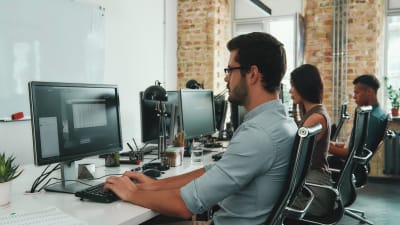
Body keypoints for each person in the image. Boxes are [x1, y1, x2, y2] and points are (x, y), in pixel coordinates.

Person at [104, 32, 298, 225]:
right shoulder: (281, 123)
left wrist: (131, 192)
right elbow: (213, 171)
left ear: (253, 74)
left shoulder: (258, 134)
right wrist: (155, 186)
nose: (226, 79)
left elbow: (184, 205)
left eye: (230, 70)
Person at [287, 64, 334, 217]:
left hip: (314, 196)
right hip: (310, 188)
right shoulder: (315, 112)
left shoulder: (315, 118)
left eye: (293, 85)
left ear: (303, 86)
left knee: (261, 200)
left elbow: (294, 156)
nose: (290, 90)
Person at [329, 74, 387, 186]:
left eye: (357, 92)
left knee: (311, 163)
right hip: (351, 163)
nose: (354, 96)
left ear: (369, 91)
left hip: (352, 168)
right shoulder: (373, 113)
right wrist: (334, 144)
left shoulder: (371, 118)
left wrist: (325, 147)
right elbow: (355, 145)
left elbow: (354, 153)